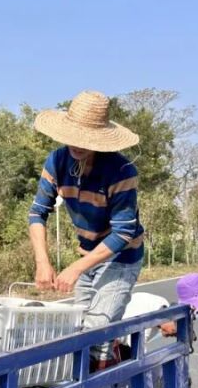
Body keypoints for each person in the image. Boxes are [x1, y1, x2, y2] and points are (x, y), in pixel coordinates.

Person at [28, 90, 144, 370]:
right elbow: (37, 213)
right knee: (79, 327)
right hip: (88, 252)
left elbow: (123, 233)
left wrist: (75, 269)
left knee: (97, 329)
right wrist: (43, 262)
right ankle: (101, 368)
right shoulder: (57, 162)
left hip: (120, 257)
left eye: (86, 139)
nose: (78, 145)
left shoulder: (121, 171)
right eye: (74, 137)